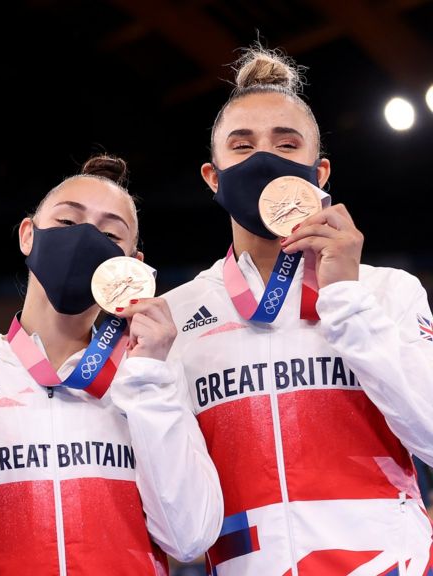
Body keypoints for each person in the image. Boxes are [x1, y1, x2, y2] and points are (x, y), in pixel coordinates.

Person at [165, 46, 433, 575]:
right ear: (212, 178)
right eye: (242, 147)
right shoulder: (173, 316)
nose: (265, 159)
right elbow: (179, 520)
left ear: (320, 172)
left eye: (287, 144)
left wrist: (346, 299)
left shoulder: (386, 291)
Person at [0, 155, 222, 574]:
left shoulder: (152, 376)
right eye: (68, 224)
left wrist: (149, 382)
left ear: (133, 265)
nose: (86, 239)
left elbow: (190, 536)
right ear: (28, 235)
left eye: (110, 234)